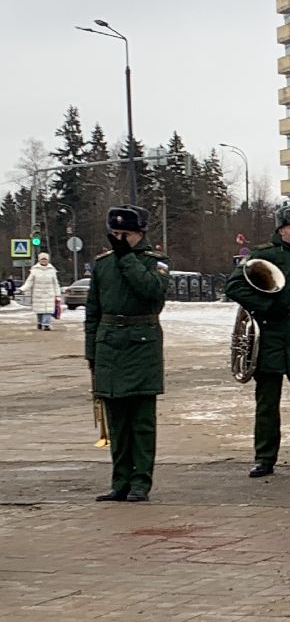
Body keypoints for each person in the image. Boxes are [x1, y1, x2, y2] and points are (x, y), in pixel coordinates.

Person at [225, 204, 290, 479]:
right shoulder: (263, 256)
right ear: (281, 230)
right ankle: (264, 457)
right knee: (267, 403)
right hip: (269, 336)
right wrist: (266, 306)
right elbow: (233, 286)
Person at [85, 205, 170, 503]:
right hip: (109, 345)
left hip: (142, 343)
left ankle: (140, 482)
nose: (120, 239)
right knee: (117, 422)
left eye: (127, 234)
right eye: (116, 234)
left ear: (140, 234)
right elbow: (93, 311)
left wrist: (126, 259)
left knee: (142, 421)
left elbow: (152, 292)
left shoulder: (154, 262)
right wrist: (91, 352)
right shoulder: (102, 264)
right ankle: (119, 480)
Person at [21, 252, 62, 330]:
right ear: (39, 260)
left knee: (48, 310)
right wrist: (22, 289)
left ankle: (46, 324)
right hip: (38, 294)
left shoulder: (52, 270)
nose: (44, 261)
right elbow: (29, 281)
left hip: (50, 294)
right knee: (40, 311)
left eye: (45, 259)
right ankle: (40, 323)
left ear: (48, 260)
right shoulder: (34, 270)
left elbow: (56, 283)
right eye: (42, 259)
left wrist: (57, 294)